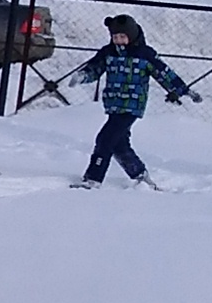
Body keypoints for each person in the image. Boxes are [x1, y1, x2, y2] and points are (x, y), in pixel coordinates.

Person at [77, 11, 191, 184]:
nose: (119, 40)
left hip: (132, 105)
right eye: (115, 37)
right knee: (119, 144)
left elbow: (163, 73)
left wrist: (181, 89)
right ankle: (140, 175)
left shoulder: (144, 54)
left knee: (105, 139)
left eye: (122, 36)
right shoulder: (108, 53)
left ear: (131, 35)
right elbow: (95, 68)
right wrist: (83, 75)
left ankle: (93, 178)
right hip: (114, 104)